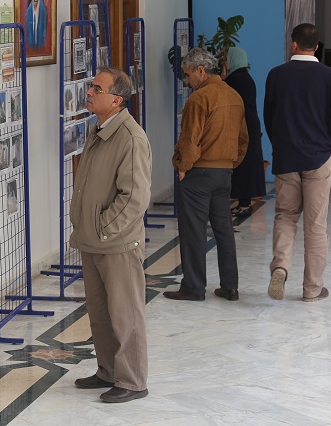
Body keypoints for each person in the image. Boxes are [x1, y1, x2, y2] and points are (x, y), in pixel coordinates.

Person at [69, 67, 151, 403]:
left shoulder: (130, 138)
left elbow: (135, 197)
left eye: (97, 88)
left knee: (125, 314)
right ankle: (107, 370)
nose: (89, 92)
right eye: (91, 86)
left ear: (115, 100)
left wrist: (103, 228)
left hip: (115, 243)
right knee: (100, 313)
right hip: (92, 240)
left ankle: (132, 381)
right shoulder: (99, 130)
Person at [264, 23, 331, 302]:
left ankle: (280, 267)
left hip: (286, 158)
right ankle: (312, 289)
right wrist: (330, 146)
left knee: (286, 216)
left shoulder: (277, 75)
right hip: (318, 158)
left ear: (293, 44)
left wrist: (280, 144)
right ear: (317, 46)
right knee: (316, 226)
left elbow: (270, 116)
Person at [166, 48, 248, 302]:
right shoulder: (234, 96)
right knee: (223, 229)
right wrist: (229, 163)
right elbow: (243, 139)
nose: (187, 81)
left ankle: (193, 286)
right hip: (224, 172)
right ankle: (230, 286)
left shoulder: (199, 99)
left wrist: (182, 167)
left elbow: (190, 140)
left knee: (193, 230)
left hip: (199, 174)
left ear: (201, 71)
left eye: (188, 75)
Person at [222, 47, 266, 219]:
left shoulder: (235, 79)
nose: (225, 63)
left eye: (227, 59)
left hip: (242, 127)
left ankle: (244, 205)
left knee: (243, 164)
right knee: (248, 164)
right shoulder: (245, 77)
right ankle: (244, 203)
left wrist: (224, 79)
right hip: (250, 125)